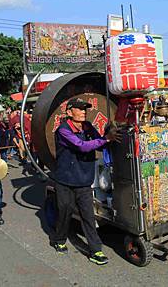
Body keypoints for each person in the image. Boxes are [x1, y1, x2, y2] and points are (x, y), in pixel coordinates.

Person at [51, 98, 121, 265]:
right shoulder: (63, 130)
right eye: (80, 108)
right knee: (65, 211)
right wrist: (106, 139)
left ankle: (96, 250)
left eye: (85, 108)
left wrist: (109, 134)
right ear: (69, 112)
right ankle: (58, 239)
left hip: (83, 180)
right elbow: (81, 146)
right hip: (65, 180)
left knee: (88, 215)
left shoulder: (88, 126)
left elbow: (99, 144)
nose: (84, 111)